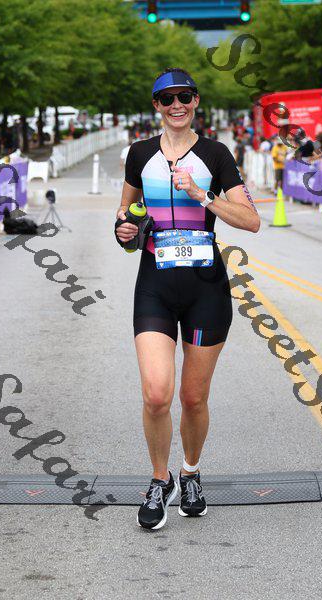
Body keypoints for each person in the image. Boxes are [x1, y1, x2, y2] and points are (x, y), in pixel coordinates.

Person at [115, 67, 260, 530]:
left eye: (185, 97)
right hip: (155, 284)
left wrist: (202, 194)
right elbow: (127, 214)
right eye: (167, 98)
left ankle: (191, 472)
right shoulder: (139, 154)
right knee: (157, 394)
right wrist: (125, 231)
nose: (176, 105)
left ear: (196, 101)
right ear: (156, 105)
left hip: (205, 288)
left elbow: (251, 220)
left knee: (193, 398)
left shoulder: (216, 154)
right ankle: (160, 481)